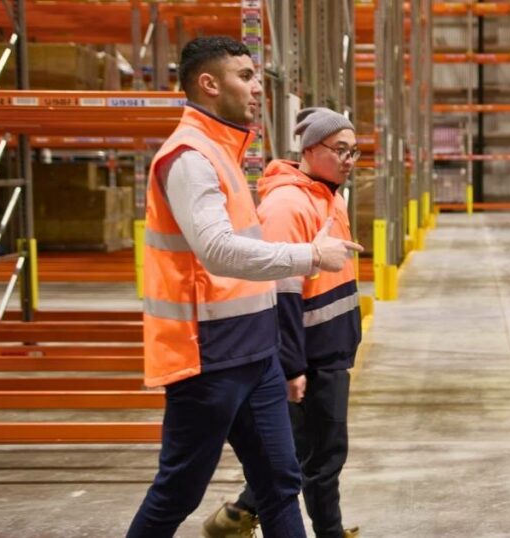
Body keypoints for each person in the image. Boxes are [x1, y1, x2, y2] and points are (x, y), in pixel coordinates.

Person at [127, 37, 362, 538]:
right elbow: (216, 250)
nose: (258, 88)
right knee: (179, 492)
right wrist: (310, 256)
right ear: (209, 84)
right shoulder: (189, 157)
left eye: (256, 76)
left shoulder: (224, 151)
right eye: (245, 76)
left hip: (255, 352)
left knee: (280, 482)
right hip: (207, 357)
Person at [202, 107, 363, 538]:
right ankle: (328, 532)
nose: (348, 160)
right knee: (325, 454)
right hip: (308, 351)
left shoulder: (330, 195)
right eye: (339, 150)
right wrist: (292, 365)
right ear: (310, 149)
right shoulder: (288, 204)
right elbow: (282, 291)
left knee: (299, 449)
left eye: (354, 152)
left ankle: (236, 517)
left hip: (329, 345)